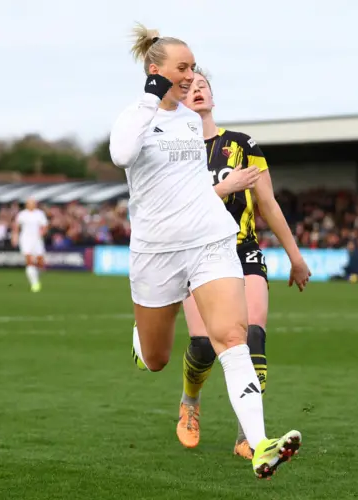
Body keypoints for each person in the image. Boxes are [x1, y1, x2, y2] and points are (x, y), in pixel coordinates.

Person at [110, 23, 301, 479]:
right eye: (183, 67)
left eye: (194, 67)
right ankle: (143, 337)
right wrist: (149, 97)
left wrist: (226, 188)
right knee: (157, 359)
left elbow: (194, 188)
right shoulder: (134, 117)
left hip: (210, 241)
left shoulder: (192, 121)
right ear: (156, 71)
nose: (191, 75)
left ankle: (258, 445)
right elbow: (121, 154)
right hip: (157, 250)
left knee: (233, 339)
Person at [165, 69, 311, 459]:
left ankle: (250, 436)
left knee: (254, 338)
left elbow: (269, 204)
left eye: (202, 86)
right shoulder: (174, 148)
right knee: (202, 346)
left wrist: (295, 257)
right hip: (194, 253)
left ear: (213, 95)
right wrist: (223, 188)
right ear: (176, 99)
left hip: (242, 250)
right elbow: (174, 207)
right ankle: (190, 402)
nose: (196, 90)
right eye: (188, 87)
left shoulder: (243, 145)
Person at [11, 197, 48, 292]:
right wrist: (14, 237)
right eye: (29, 203)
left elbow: (45, 226)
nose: (31, 204)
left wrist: (42, 233)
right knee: (29, 260)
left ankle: (36, 278)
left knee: (40, 263)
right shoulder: (22, 214)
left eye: (33, 203)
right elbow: (16, 226)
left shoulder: (40, 214)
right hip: (25, 239)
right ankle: (34, 284)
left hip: (37, 239)